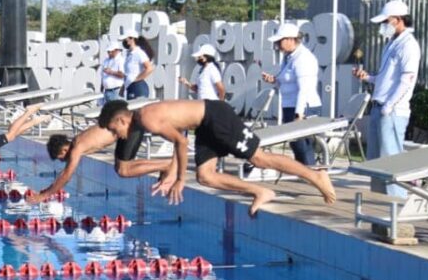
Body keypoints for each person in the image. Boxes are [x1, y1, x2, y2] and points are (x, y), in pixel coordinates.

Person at [98, 99, 336, 215]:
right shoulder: (143, 118)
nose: (115, 134)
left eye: (113, 128)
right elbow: (179, 135)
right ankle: (261, 191)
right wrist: (171, 170)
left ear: (121, 120)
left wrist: (180, 178)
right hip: (203, 126)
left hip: (215, 116)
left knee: (259, 159)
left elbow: (181, 142)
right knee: (205, 176)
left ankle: (316, 176)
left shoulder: (146, 118)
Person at [353, 0, 421, 198]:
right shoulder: (392, 44)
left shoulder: (409, 45)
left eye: (386, 21)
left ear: (399, 20)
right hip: (379, 107)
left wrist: (390, 105)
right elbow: (386, 77)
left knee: (391, 160)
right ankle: (379, 201)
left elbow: (406, 80)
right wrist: (368, 77)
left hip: (391, 111)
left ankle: (396, 203)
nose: (383, 26)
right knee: (376, 162)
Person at [262, 23, 322, 166]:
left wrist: (299, 114)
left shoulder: (303, 58)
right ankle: (303, 173)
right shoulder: (289, 58)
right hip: (289, 106)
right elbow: (285, 81)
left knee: (303, 145)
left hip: (303, 107)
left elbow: (304, 88)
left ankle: (312, 174)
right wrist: (274, 80)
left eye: (279, 41)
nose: (277, 45)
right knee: (295, 144)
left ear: (291, 39)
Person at [25, 126, 117, 204]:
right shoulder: (76, 144)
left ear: (64, 150)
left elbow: (66, 176)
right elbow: (64, 173)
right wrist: (50, 188)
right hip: (120, 132)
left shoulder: (77, 148)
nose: (61, 161)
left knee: (123, 170)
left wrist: (43, 196)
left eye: (60, 158)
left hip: (125, 130)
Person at [120, 29, 154, 100]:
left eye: (125, 39)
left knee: (137, 110)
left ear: (131, 39)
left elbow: (149, 68)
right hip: (130, 87)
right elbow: (128, 73)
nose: (124, 41)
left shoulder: (138, 53)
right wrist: (123, 87)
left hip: (137, 87)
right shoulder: (129, 54)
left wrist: (136, 79)